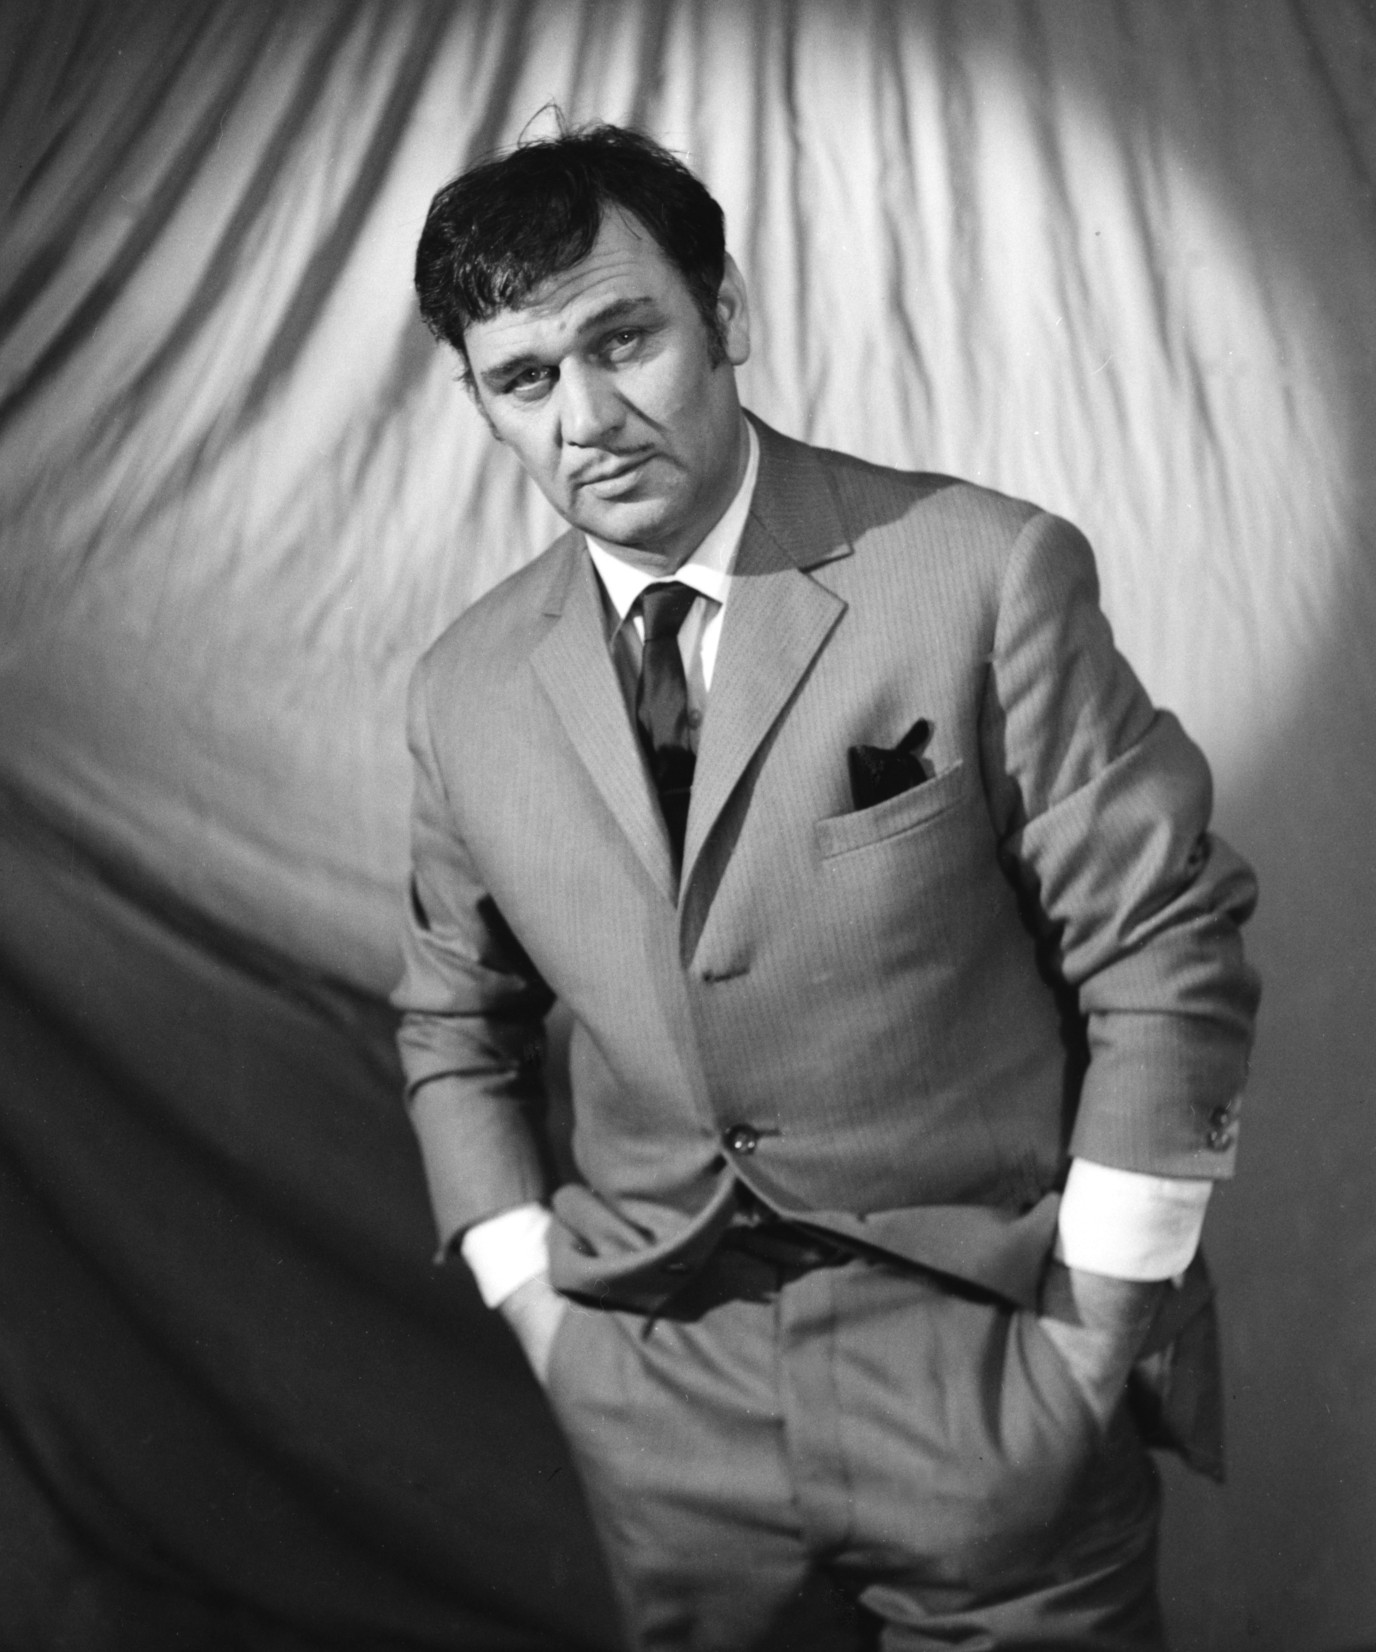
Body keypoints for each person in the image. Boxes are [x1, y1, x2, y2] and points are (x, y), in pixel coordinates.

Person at [395, 122, 1259, 1651]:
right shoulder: (462, 689)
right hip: (658, 1390)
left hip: (988, 1357)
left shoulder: (983, 570)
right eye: (524, 379)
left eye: (625, 340)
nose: (587, 418)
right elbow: (451, 1023)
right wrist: (543, 1317)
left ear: (724, 314)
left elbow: (1165, 949)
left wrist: (1093, 1336)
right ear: (479, 403)